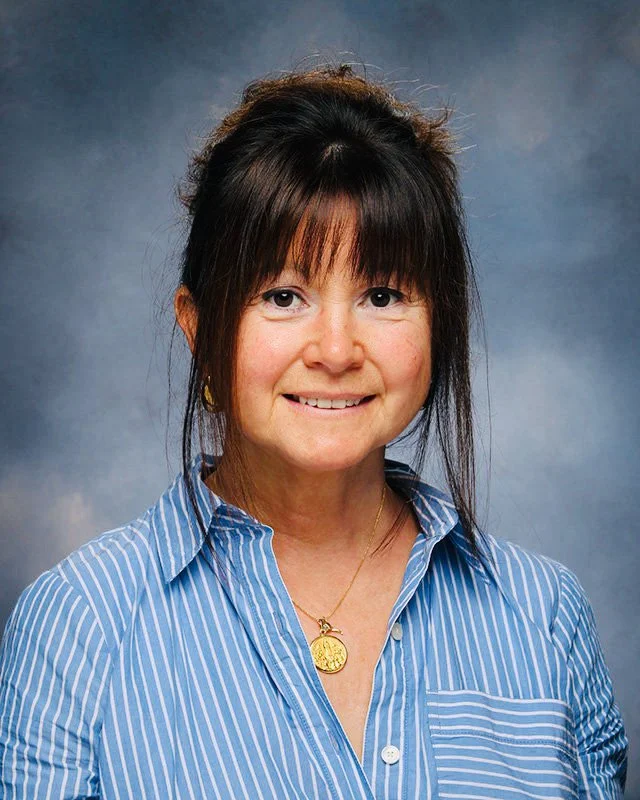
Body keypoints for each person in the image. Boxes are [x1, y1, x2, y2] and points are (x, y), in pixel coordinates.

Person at [0, 63, 628, 799]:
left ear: (441, 324)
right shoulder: (81, 627)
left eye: (383, 294)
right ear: (200, 329)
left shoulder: (543, 616)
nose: (335, 350)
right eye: (284, 295)